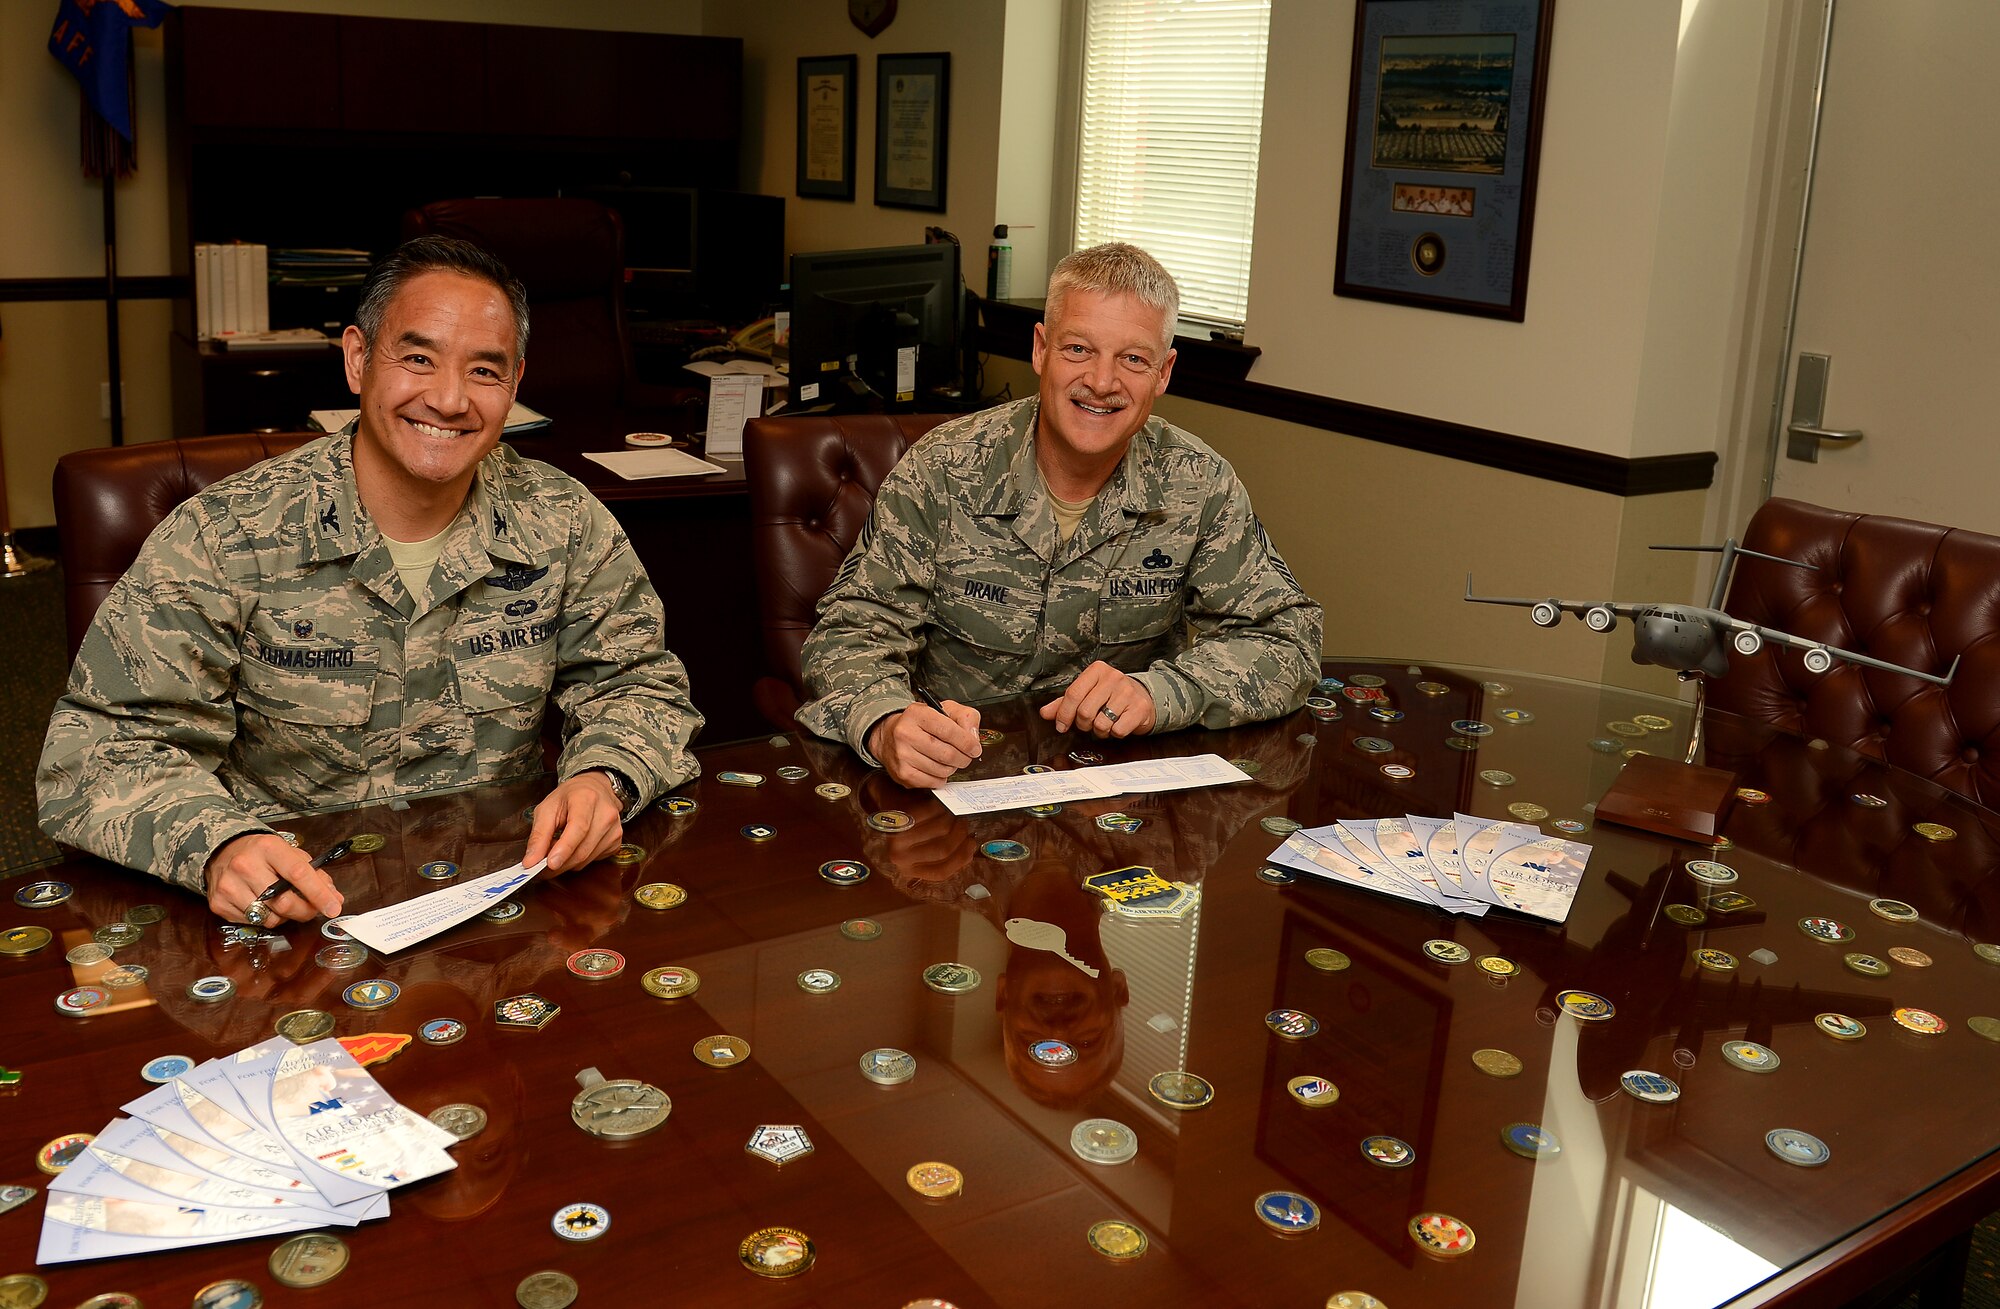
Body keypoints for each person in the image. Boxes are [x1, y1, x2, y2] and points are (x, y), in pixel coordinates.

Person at [37, 236, 702, 925]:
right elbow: (98, 752)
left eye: (484, 371)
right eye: (417, 358)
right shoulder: (225, 534)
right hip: (293, 919)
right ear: (357, 359)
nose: (448, 400)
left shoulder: (562, 521)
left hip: (504, 914)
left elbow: (638, 684)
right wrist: (216, 843)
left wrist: (606, 775)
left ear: (515, 383)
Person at [796, 242, 1322, 788]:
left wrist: (1161, 692)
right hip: (956, 787)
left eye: (1133, 359)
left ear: (1164, 373)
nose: (1101, 381)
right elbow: (849, 633)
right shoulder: (944, 470)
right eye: (1078, 349)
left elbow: (1287, 640)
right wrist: (884, 724)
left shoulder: (1199, 484)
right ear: (1041, 349)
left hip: (1118, 800)